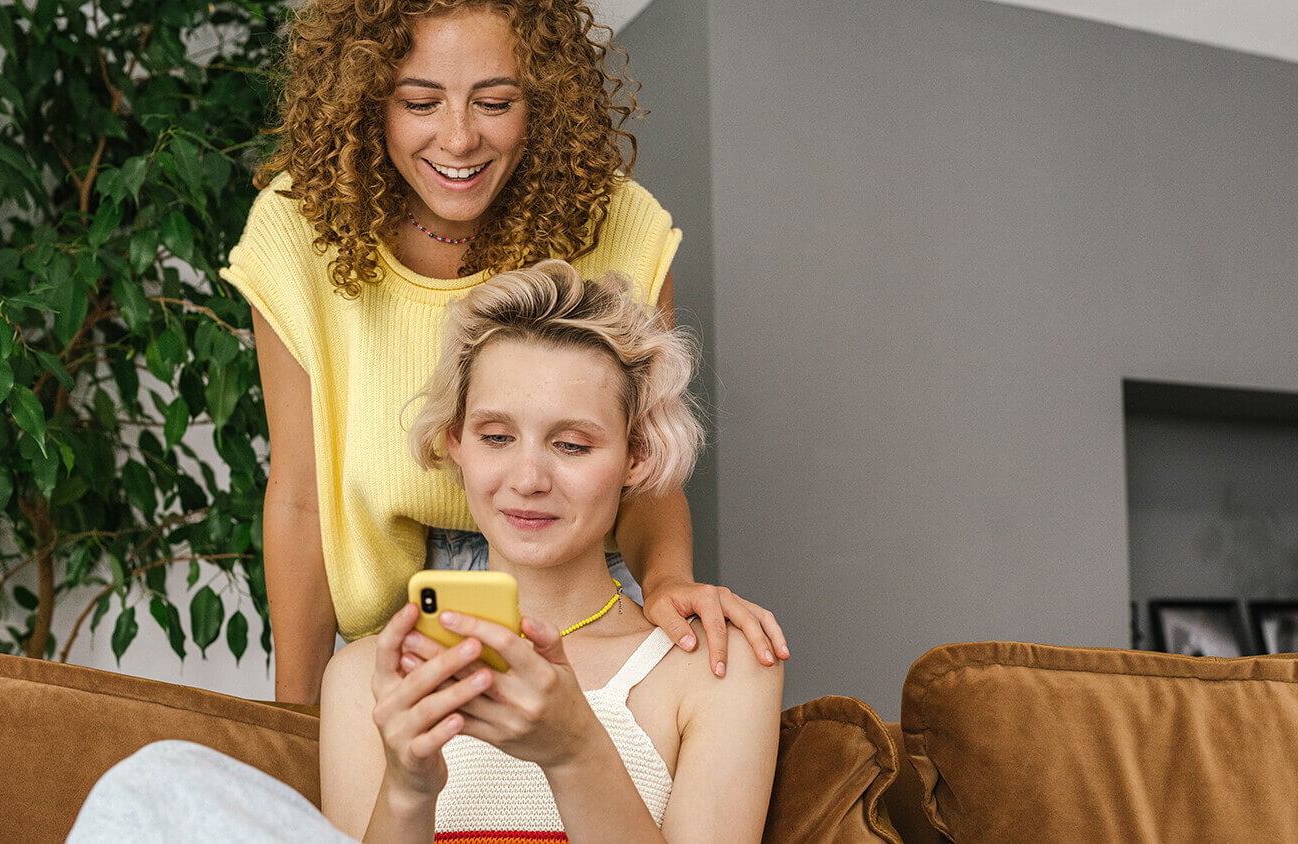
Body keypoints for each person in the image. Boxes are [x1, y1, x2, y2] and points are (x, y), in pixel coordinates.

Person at [66, 262, 782, 842]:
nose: (528, 478)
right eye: (496, 437)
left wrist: (574, 749)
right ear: (455, 443)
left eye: (571, 445)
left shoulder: (718, 667)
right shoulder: (364, 677)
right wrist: (409, 789)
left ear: (638, 455)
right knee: (156, 780)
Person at [221, 0, 787, 706]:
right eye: (420, 103)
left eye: (494, 102)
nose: (459, 139)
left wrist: (669, 581)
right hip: (386, 620)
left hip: (580, 590)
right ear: (367, 102)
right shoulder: (299, 228)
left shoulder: (617, 224)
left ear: (542, 99)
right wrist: (292, 724)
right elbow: (301, 497)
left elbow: (645, 467)